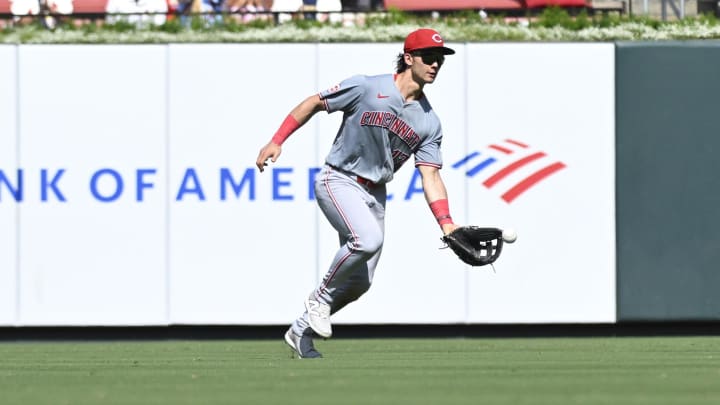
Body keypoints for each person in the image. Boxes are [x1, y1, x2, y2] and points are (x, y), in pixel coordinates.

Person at [255, 28, 459, 359]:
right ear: (408, 58)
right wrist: (277, 140)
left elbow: (431, 175)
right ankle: (319, 299)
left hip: (375, 192)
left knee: (359, 283)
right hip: (339, 179)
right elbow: (314, 103)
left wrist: (447, 224)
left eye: (440, 59)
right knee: (367, 240)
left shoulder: (429, 121)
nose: (436, 64)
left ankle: (300, 329)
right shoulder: (367, 87)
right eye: (429, 57)